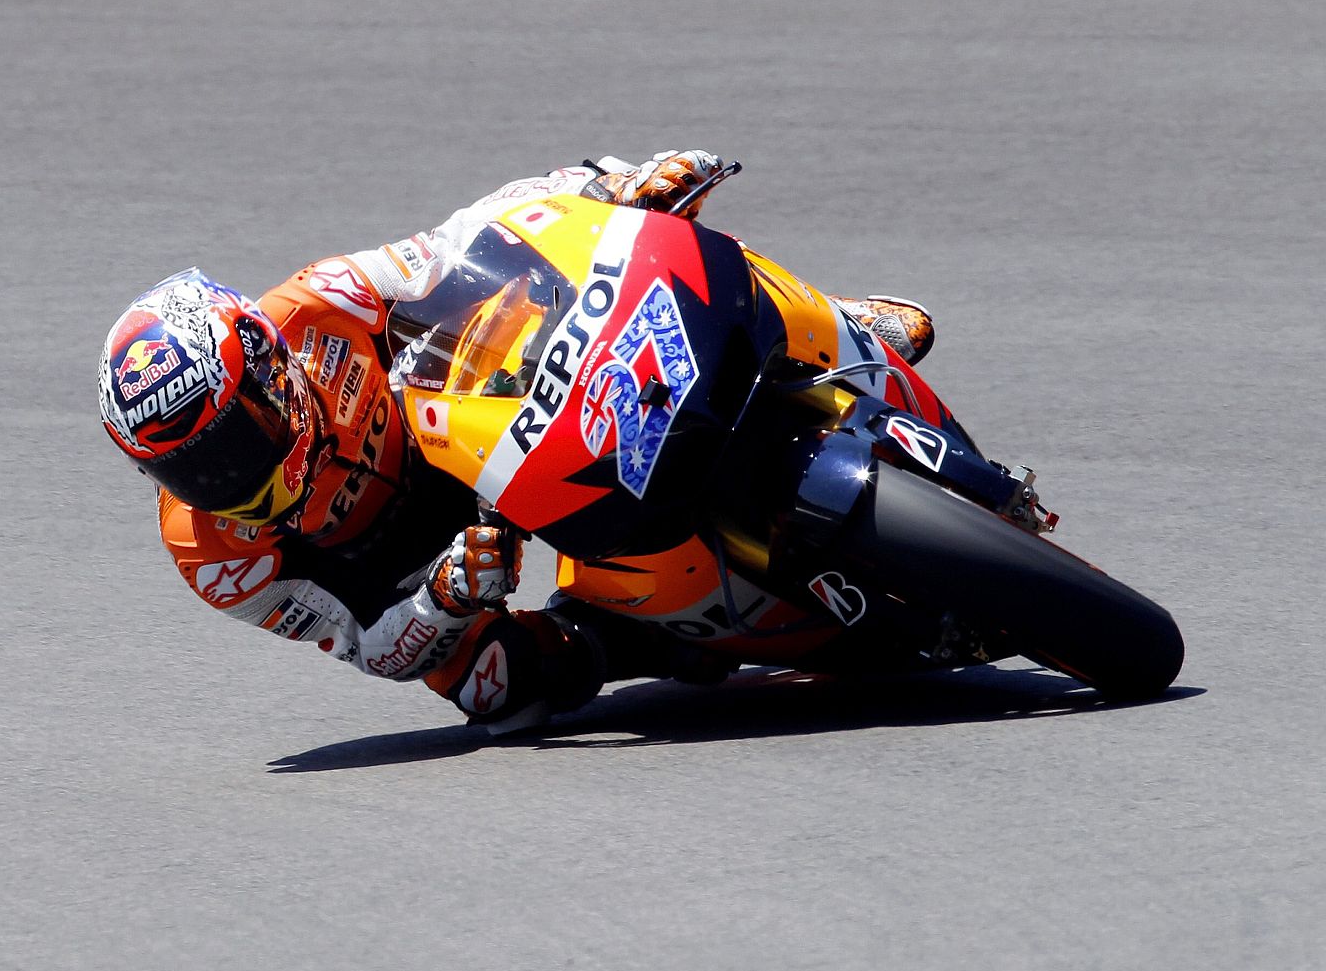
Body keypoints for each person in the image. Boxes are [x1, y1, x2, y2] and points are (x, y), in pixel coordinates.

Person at [98, 151, 936, 733]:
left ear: (272, 373)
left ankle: (817, 321)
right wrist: (443, 601)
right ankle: (629, 631)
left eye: (230, 440)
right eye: (188, 468)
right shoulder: (213, 553)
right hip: (433, 554)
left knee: (651, 261)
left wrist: (610, 190)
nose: (221, 477)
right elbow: (367, 647)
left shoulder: (321, 302)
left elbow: (473, 236)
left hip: (465, 420)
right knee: (499, 689)